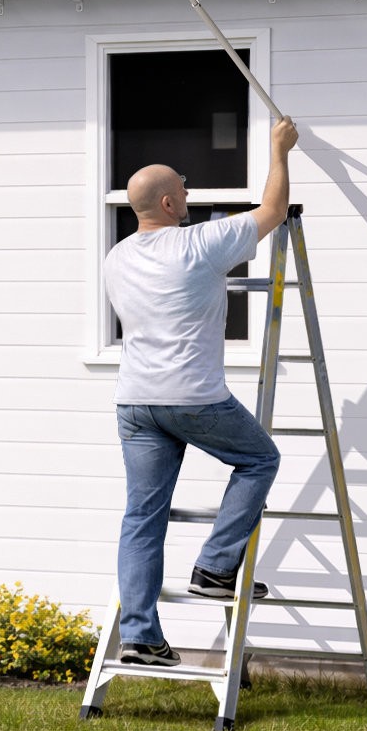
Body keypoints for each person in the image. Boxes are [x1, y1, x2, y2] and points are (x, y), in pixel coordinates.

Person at [103, 116, 300, 667]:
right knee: (260, 459)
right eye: (184, 187)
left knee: (143, 515)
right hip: (191, 396)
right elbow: (272, 213)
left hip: (135, 401)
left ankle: (141, 636)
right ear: (168, 204)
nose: (189, 192)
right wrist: (280, 150)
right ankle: (216, 569)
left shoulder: (116, 257)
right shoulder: (198, 244)